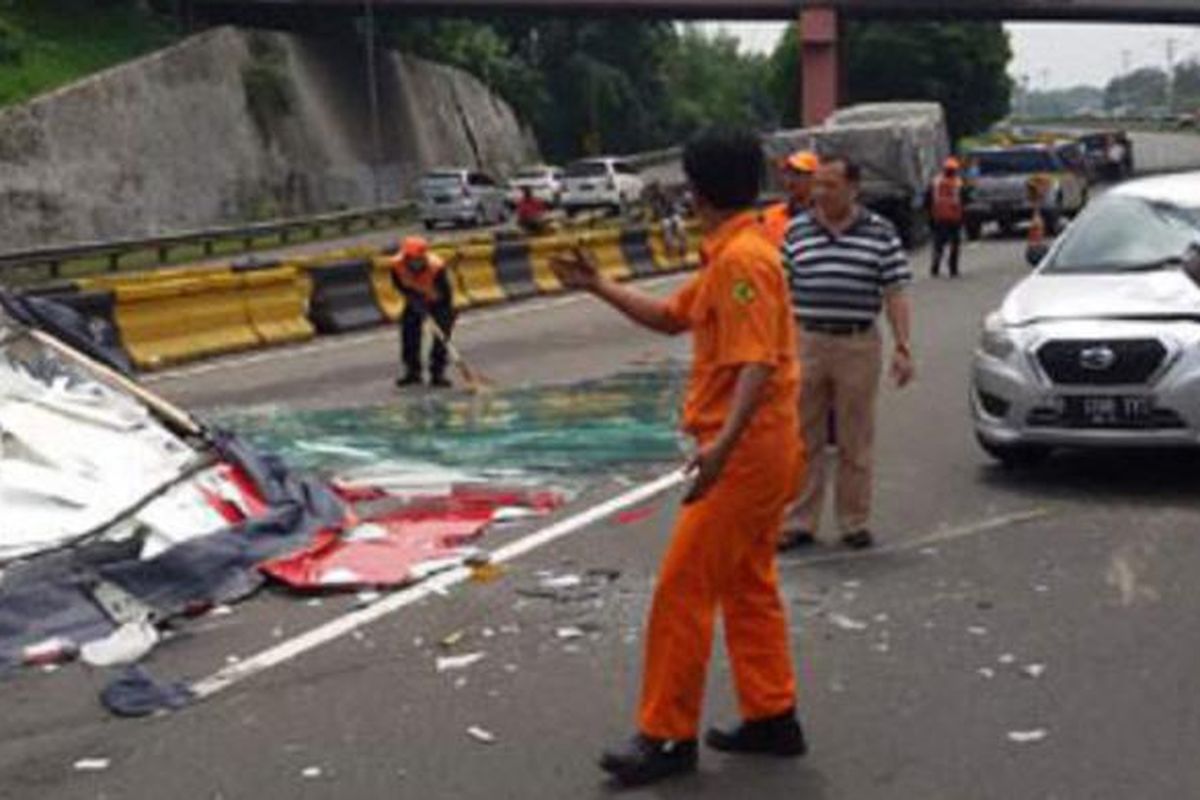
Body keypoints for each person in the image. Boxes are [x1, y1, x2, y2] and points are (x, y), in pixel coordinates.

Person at [551, 127, 807, 788]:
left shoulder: (744, 262)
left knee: (682, 588)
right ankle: (772, 712)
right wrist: (597, 284)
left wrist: (719, 451)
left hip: (745, 452)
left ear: (695, 191)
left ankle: (667, 735)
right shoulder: (730, 256)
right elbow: (670, 318)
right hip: (754, 448)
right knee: (747, 583)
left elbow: (755, 363)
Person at [778, 155, 915, 552]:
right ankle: (799, 521)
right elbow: (781, 290)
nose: (820, 193)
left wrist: (903, 346)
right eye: (817, 185)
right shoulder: (797, 230)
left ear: (853, 188)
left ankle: (854, 520)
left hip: (857, 343)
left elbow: (895, 292)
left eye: (830, 185)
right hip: (808, 341)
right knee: (804, 437)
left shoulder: (879, 232)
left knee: (855, 437)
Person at [390, 236, 461, 388]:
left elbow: (446, 295)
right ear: (406, 257)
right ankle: (413, 372)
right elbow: (400, 286)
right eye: (412, 259)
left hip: (440, 303)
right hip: (415, 300)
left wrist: (445, 314)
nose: (416, 263)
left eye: (419, 259)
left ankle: (437, 373)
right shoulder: (396, 265)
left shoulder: (437, 267)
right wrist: (414, 301)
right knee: (409, 334)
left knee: (441, 339)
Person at [761, 150, 819, 248]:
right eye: (788, 174)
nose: (790, 180)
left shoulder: (827, 218)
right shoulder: (769, 216)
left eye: (798, 174)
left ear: (815, 178)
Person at [927, 157, 966, 278]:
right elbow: (964, 201)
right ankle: (953, 269)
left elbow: (928, 200)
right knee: (954, 243)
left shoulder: (936, 182)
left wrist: (930, 215)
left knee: (939, 243)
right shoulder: (958, 183)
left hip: (939, 217)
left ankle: (935, 267)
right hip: (954, 217)